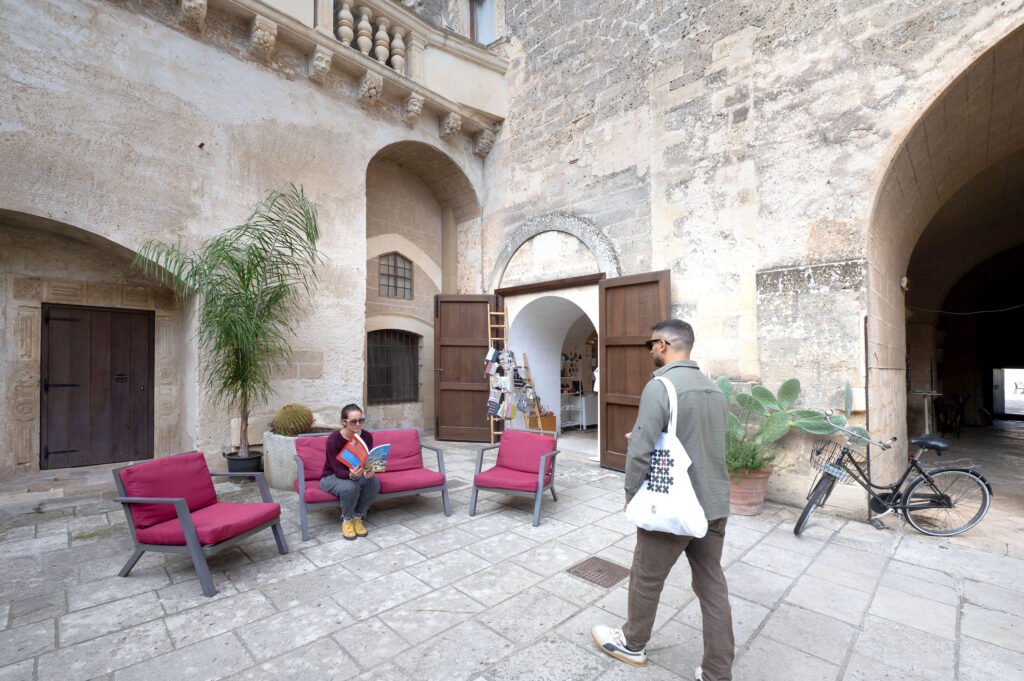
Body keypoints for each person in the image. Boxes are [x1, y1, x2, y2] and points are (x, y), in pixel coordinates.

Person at [591, 319, 733, 681]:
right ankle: (717, 672)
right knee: (711, 586)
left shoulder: (661, 385)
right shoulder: (714, 390)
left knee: (646, 577)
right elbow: (697, 440)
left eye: (650, 344)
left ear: (664, 345)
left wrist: (630, 494)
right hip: (714, 503)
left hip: (674, 505)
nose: (650, 350)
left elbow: (640, 449)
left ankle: (632, 643)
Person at [321, 403, 380, 540]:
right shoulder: (333, 440)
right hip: (331, 477)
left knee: (373, 482)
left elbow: (365, 461)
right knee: (350, 486)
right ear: (344, 422)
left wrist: (367, 471)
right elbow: (337, 470)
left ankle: (358, 518)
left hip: (356, 473)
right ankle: (347, 521)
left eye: (361, 420)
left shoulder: (366, 436)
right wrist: (351, 475)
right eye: (354, 421)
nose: (358, 424)